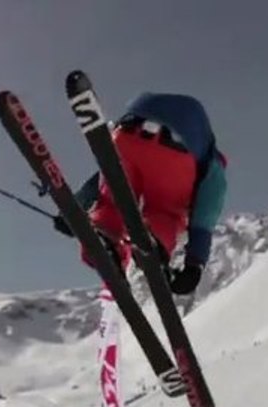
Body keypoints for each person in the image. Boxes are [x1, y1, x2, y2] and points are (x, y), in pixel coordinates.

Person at [54, 91, 227, 295]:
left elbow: (105, 177)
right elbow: (204, 222)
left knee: (112, 199)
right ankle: (154, 242)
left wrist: (76, 207)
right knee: (169, 214)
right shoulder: (213, 170)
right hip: (178, 149)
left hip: (126, 131)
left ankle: (105, 235)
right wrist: (194, 267)